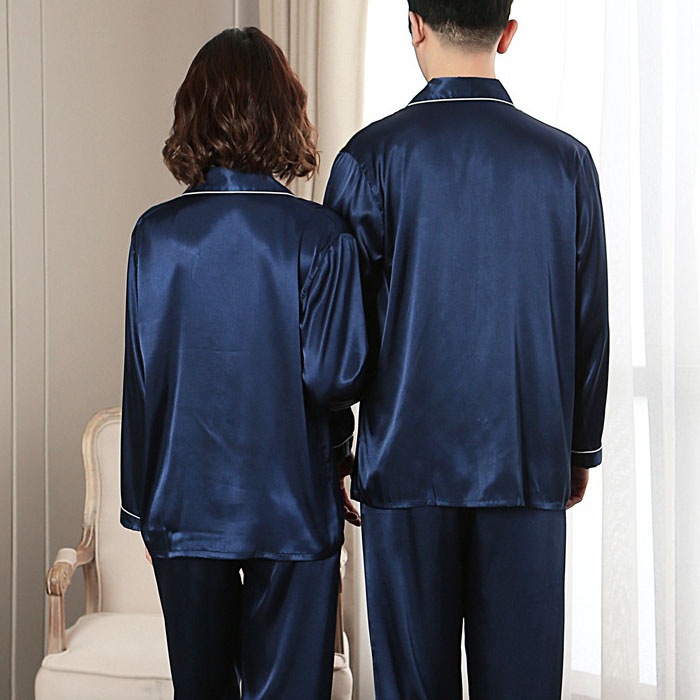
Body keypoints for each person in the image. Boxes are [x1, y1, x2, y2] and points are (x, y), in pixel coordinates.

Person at [323, 1, 609, 698]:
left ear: (414, 25)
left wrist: (336, 447)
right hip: (526, 461)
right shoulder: (566, 162)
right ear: (507, 34)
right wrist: (578, 448)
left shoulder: (369, 158)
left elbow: (335, 332)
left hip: (405, 470)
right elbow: (588, 322)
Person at [120, 27, 366, 700]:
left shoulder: (154, 236)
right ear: (286, 111)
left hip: (183, 506)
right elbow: (335, 377)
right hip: (293, 505)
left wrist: (142, 506)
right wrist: (343, 454)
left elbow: (143, 380)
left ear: (192, 111)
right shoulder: (322, 235)